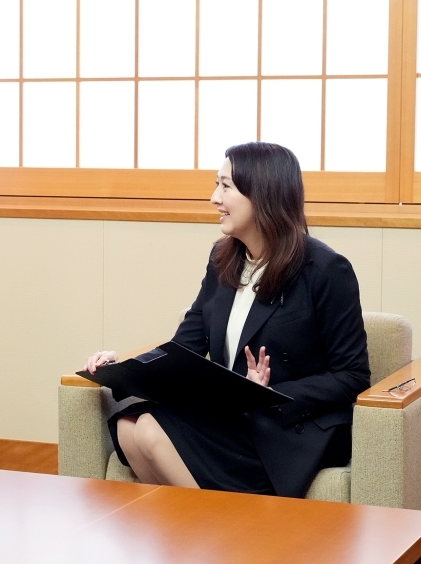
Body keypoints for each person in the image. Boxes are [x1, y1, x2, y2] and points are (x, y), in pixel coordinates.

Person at [84, 142, 370, 498]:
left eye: (225, 186)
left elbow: (353, 375)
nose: (214, 198)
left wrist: (269, 395)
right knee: (129, 428)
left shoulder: (325, 269)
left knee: (150, 431)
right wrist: (123, 366)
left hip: (292, 423)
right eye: (216, 185)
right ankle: (189, 526)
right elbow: (183, 348)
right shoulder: (222, 259)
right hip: (236, 416)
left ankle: (215, 523)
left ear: (262, 194)